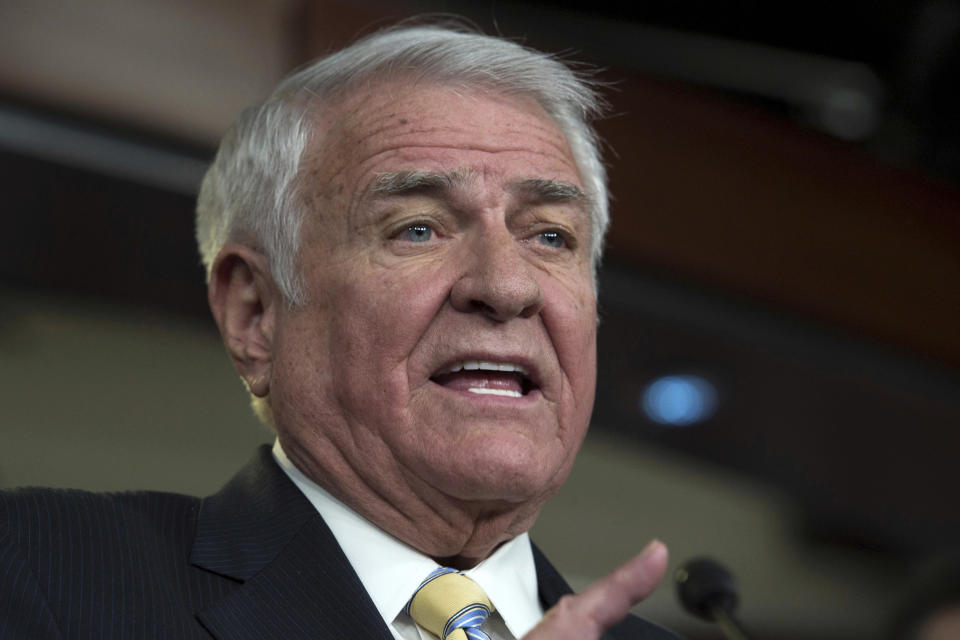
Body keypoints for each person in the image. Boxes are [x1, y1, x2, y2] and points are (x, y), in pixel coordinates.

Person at [0, 23, 677, 640]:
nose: (507, 287)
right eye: (418, 229)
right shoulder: (39, 573)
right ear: (255, 315)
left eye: (551, 237)